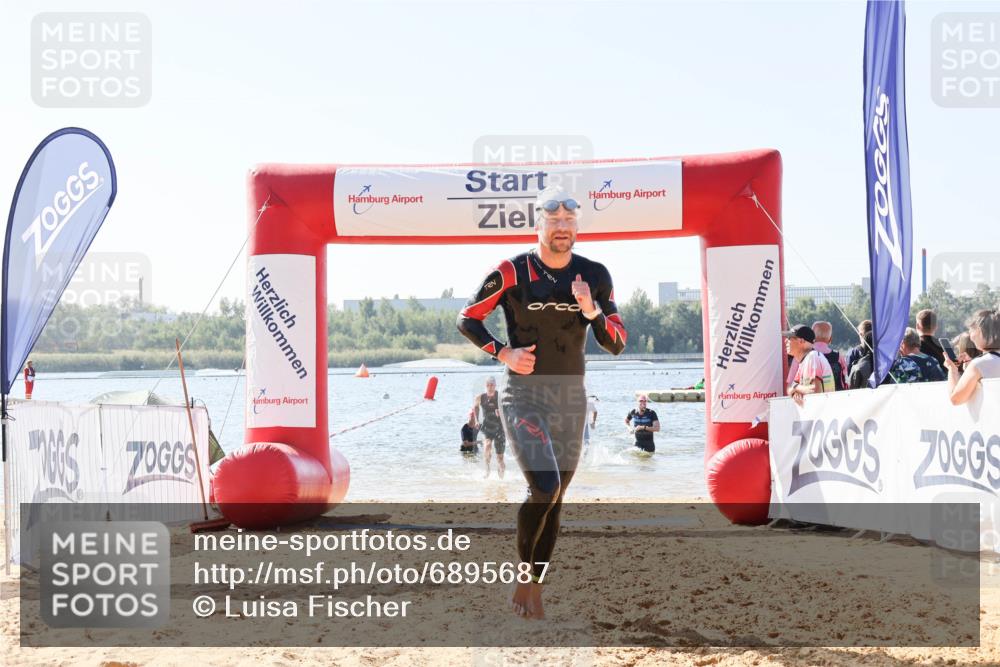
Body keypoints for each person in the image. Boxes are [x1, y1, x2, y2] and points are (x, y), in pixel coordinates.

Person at [456, 184, 627, 619]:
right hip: (523, 396)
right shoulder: (512, 271)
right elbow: (467, 318)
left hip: (571, 399)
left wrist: (591, 313)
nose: (562, 229)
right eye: (554, 221)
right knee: (544, 487)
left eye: (570, 222)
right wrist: (503, 352)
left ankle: (534, 581)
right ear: (539, 224)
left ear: (578, 226)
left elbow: (617, 343)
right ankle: (524, 574)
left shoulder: (596, 275)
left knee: (557, 499)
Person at [945, 309, 1000, 405]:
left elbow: (956, 400)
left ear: (979, 331)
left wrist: (952, 370)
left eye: (971, 330)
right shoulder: (981, 363)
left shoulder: (979, 364)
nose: (971, 336)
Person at [784, 324, 834, 406]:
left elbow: (815, 391)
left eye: (789, 338)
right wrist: (795, 392)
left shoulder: (813, 357)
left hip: (823, 413)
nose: (785, 341)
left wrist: (796, 388)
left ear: (801, 341)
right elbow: (789, 389)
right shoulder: (804, 361)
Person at [474, 377, 505, 478]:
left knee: (500, 457)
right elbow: (476, 407)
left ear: (495, 385)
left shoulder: (500, 396)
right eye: (488, 385)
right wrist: (476, 420)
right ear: (485, 386)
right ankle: (487, 469)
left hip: (500, 428)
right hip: (487, 427)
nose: (490, 387)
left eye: (492, 385)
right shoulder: (480, 397)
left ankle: (502, 478)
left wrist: (501, 412)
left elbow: (508, 408)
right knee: (487, 446)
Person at [812, 321, 847, 391]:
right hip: (837, 396)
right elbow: (845, 379)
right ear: (830, 339)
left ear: (812, 337)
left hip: (813, 398)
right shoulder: (839, 356)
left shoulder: (806, 355)